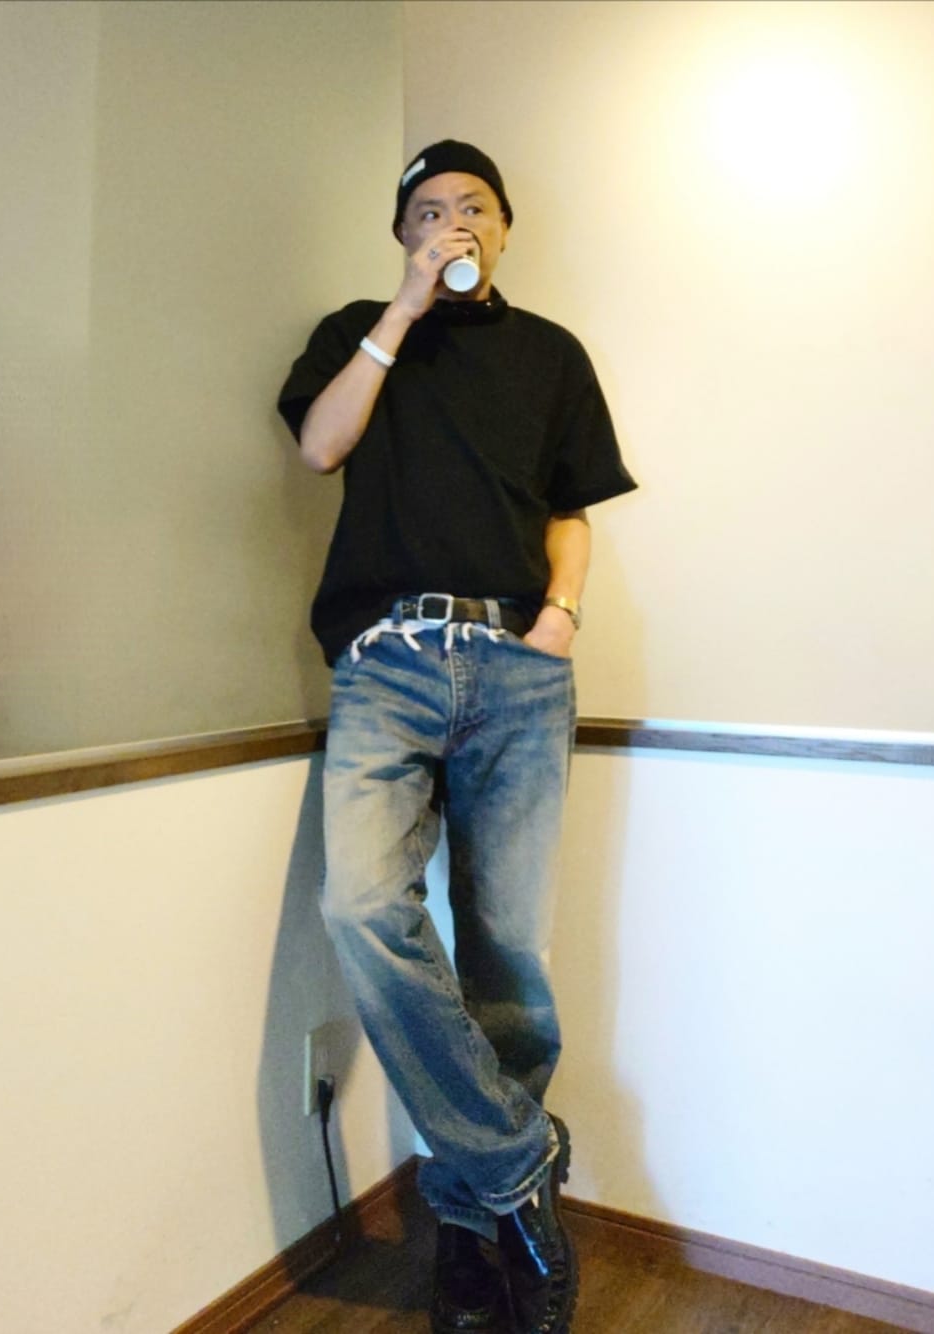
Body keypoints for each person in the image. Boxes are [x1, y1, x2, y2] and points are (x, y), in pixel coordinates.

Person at [278, 140, 636, 1334]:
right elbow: (321, 444)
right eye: (426, 210)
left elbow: (571, 511)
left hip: (517, 664)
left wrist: (560, 617)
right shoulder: (357, 330)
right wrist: (402, 309)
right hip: (386, 658)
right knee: (359, 903)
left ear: (504, 226)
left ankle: (476, 1240)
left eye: (471, 206)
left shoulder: (550, 353)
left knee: (505, 952)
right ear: (403, 233)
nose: (450, 223)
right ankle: (518, 1166)